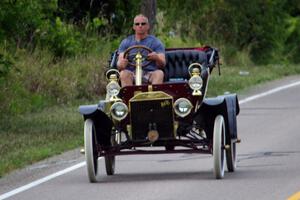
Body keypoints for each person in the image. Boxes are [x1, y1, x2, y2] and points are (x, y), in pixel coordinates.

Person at [117, 14, 166, 87]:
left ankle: (154, 97)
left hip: (150, 73)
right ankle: (129, 97)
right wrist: (122, 63)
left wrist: (157, 58)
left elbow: (162, 63)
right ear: (134, 27)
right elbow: (120, 64)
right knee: (123, 73)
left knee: (159, 73)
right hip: (132, 73)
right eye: (137, 24)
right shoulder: (126, 42)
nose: (140, 26)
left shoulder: (156, 42)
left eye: (143, 24)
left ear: (148, 26)